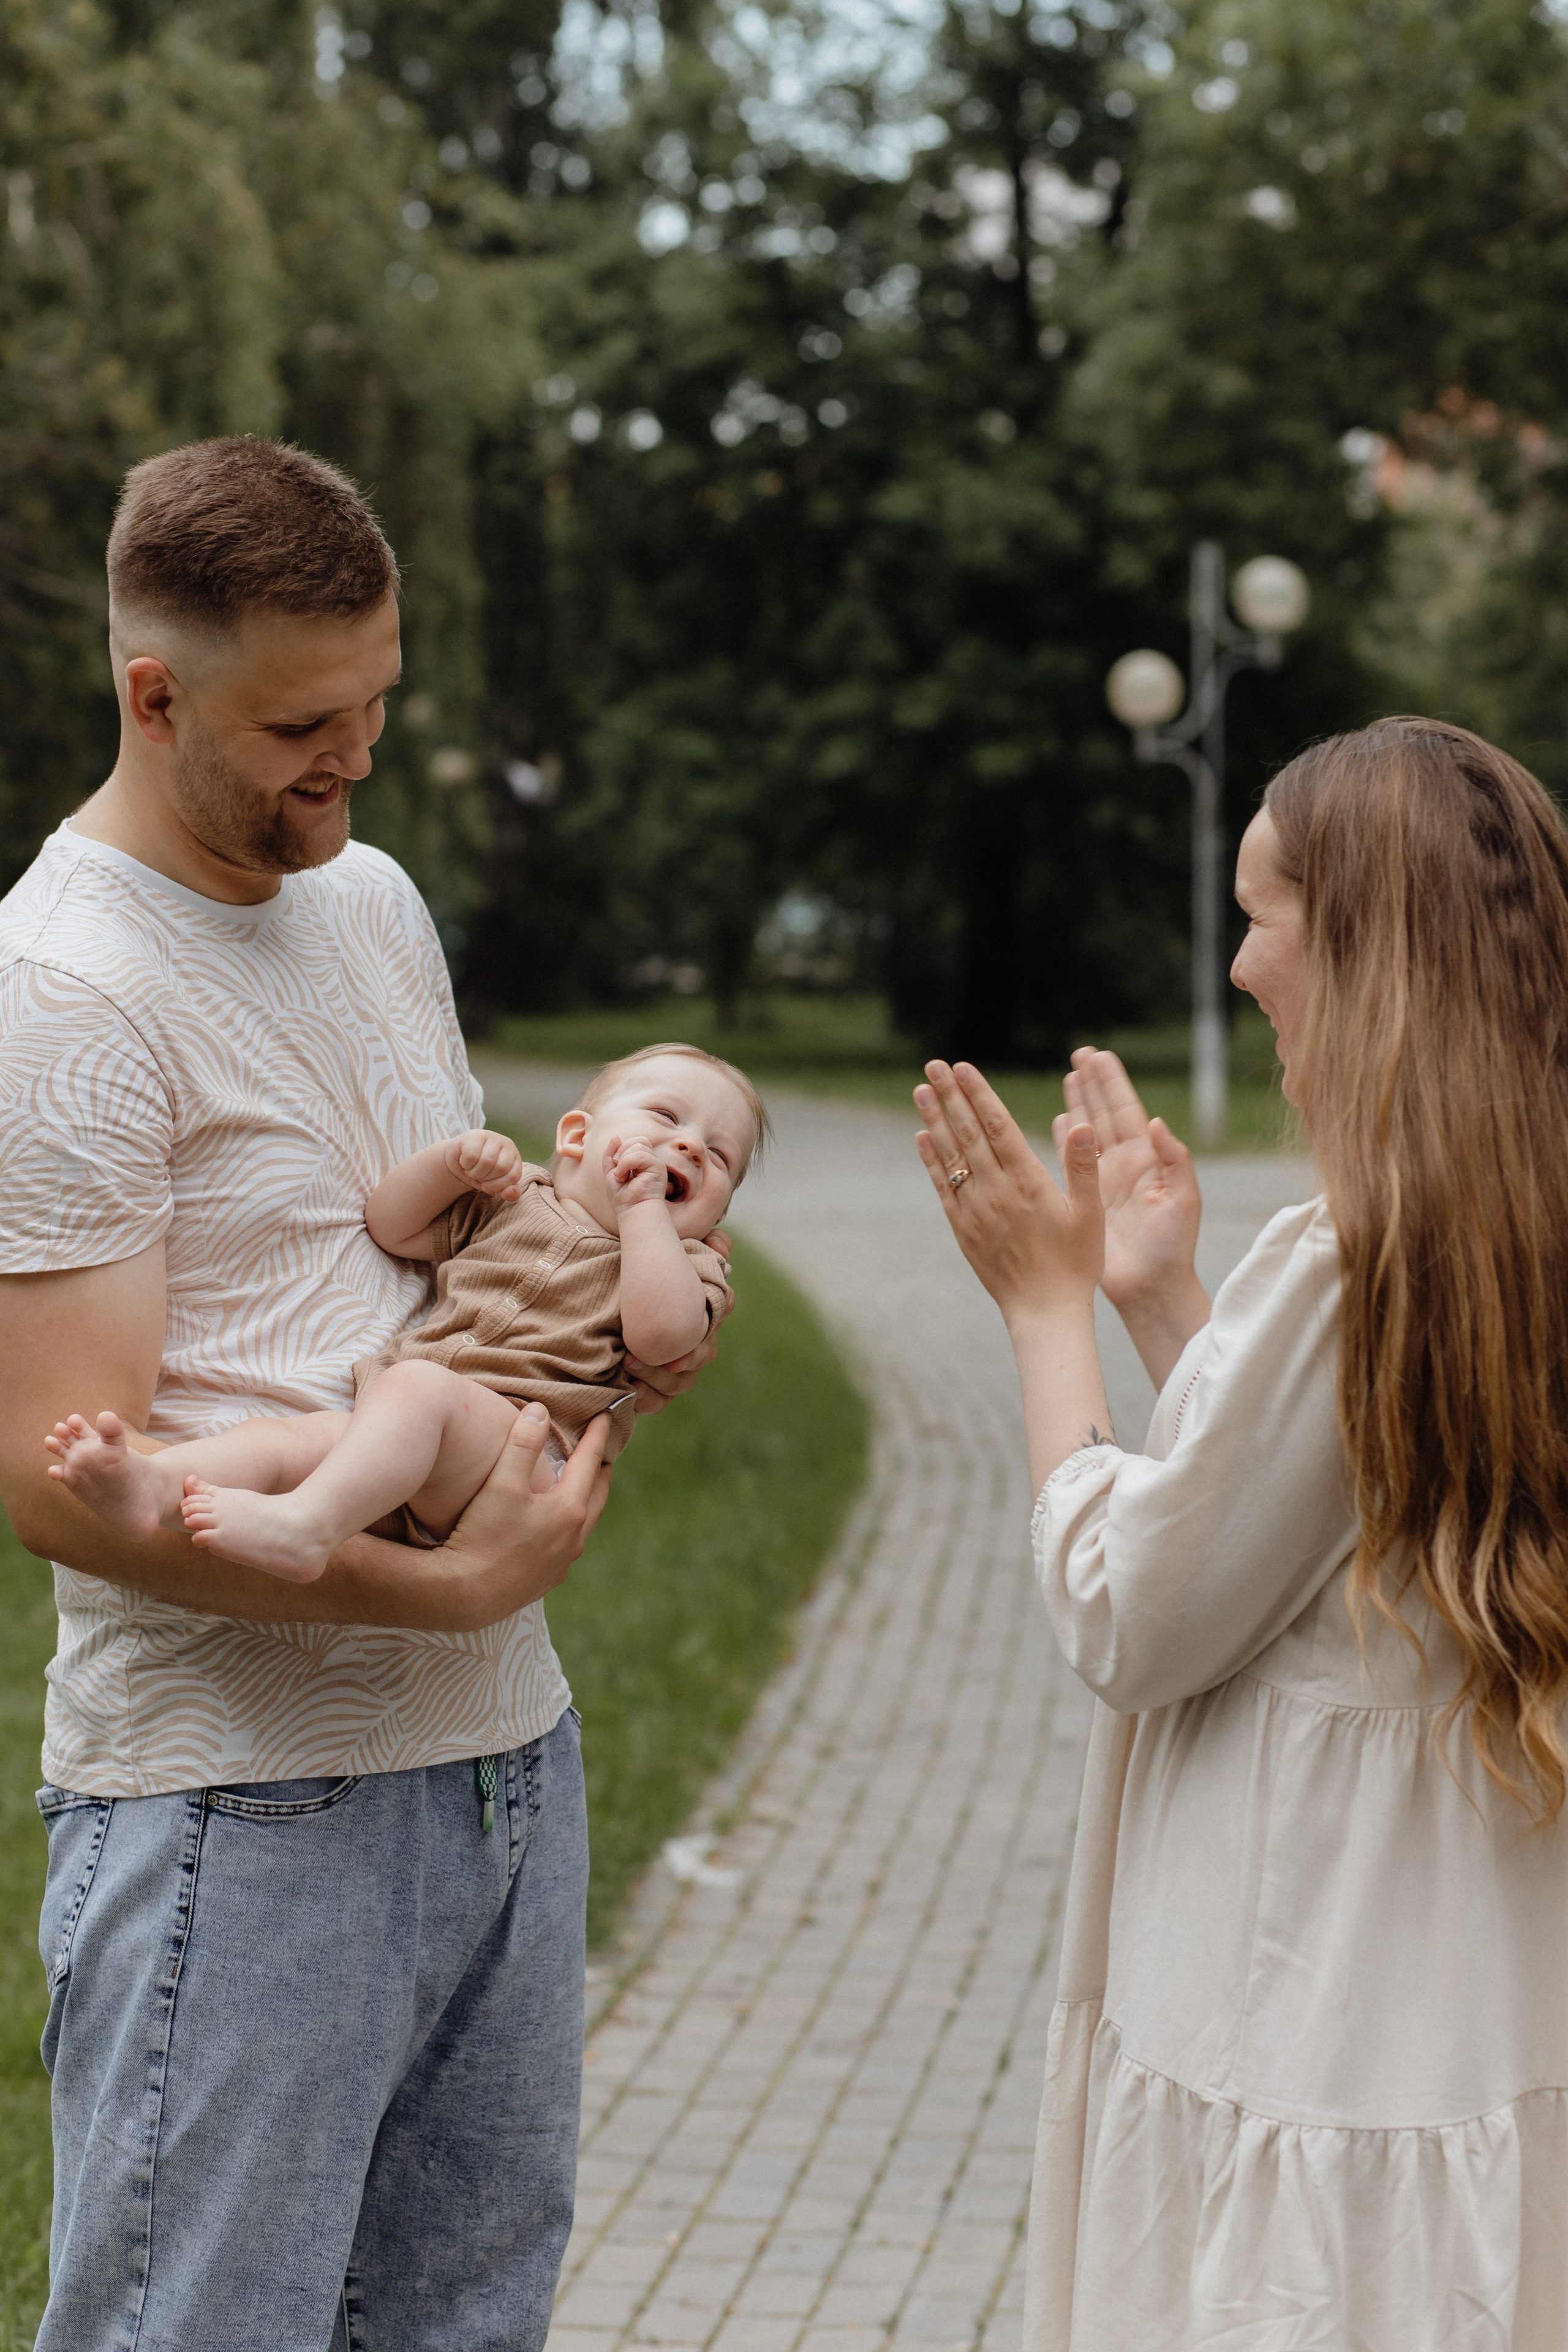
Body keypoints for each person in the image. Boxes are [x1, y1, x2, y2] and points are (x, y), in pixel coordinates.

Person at [0, 436, 717, 2352]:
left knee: (466, 2323)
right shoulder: (61, 989)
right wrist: (448, 1584)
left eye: (382, 702)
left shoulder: (374, 896)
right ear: (154, 695)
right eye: (308, 721)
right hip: (243, 1805)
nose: (359, 755)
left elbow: (462, 1266)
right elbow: (65, 1482)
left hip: (502, 1766)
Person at [913, 717, 1568, 2348]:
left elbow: (1138, 1614)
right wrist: (1171, 1307)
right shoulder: (1500, 1229)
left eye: (1266, 915)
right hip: (1468, 2016)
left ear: (1364, 945)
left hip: (1310, 2010)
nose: (1240, 966)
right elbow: (1344, 1518)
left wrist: (1047, 1308)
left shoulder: (1358, 1255)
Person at [45, 1044, 761, 1582]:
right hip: (399, 1441)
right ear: (577, 1136)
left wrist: (644, 1216)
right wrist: (450, 1167)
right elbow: (392, 1227)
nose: (690, 1145)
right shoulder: (514, 1200)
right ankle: (156, 1489)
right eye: (666, 1118)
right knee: (284, 1439)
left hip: (524, 1458)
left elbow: (662, 1336)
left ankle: (308, 1528)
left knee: (416, 1386)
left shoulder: (689, 1264)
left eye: (719, 1157)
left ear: (715, 1214)